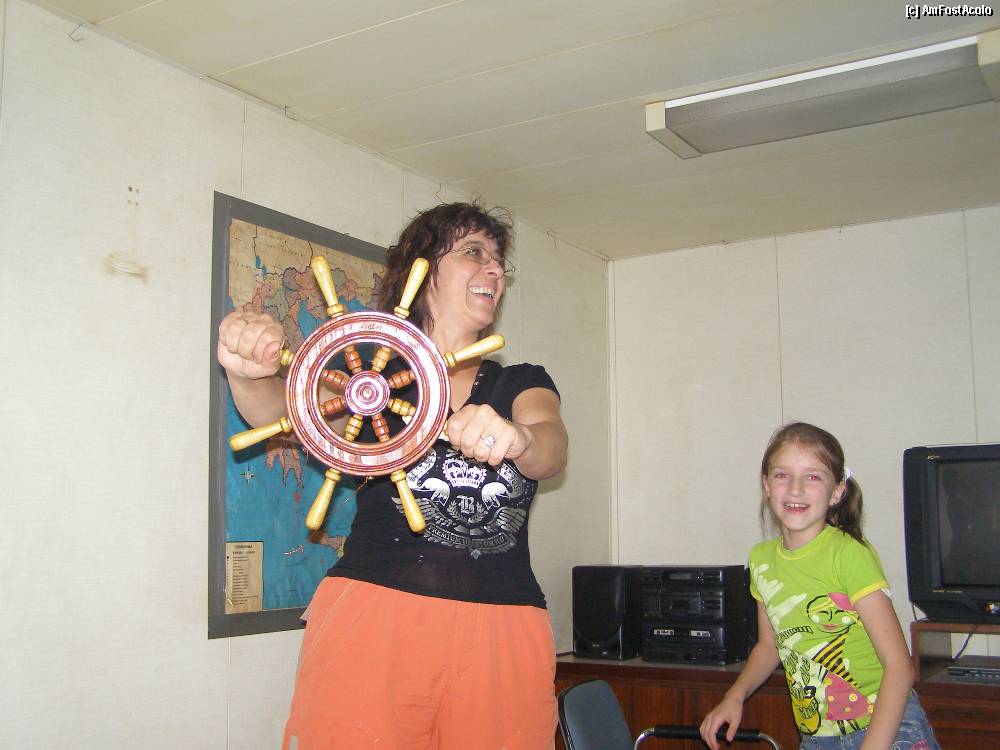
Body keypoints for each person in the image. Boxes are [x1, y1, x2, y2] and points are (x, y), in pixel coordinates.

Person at [217, 201, 568, 750]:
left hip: (504, 626)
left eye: (499, 260)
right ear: (421, 272)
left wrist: (519, 438)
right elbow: (283, 414)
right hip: (378, 614)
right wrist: (248, 375)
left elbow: (551, 448)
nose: (495, 269)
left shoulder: (521, 382)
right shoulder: (369, 377)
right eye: (473, 252)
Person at [700, 422, 939, 750]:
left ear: (837, 492)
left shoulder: (849, 554)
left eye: (812, 477)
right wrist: (734, 696)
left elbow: (899, 668)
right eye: (782, 475)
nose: (795, 489)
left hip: (886, 730)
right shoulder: (761, 560)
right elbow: (769, 646)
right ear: (766, 485)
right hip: (817, 737)